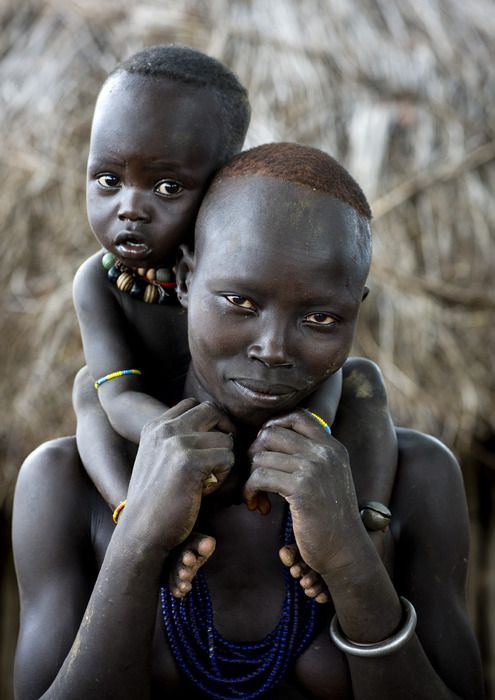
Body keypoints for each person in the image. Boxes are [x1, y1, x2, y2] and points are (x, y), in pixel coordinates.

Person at [12, 142, 484, 699]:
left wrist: (353, 561)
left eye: (320, 317)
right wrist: (137, 541)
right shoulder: (65, 484)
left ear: (357, 306)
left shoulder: (416, 479)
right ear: (186, 279)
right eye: (239, 300)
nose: (273, 347)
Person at [70, 43, 398, 594]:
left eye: (168, 187)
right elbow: (115, 395)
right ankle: (132, 512)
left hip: (254, 422)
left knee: (364, 378)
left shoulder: (253, 270)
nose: (129, 207)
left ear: (220, 186)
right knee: (87, 389)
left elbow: (329, 371)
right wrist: (168, 439)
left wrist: (305, 433)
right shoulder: (99, 283)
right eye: (107, 179)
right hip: (153, 420)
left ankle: (363, 521)